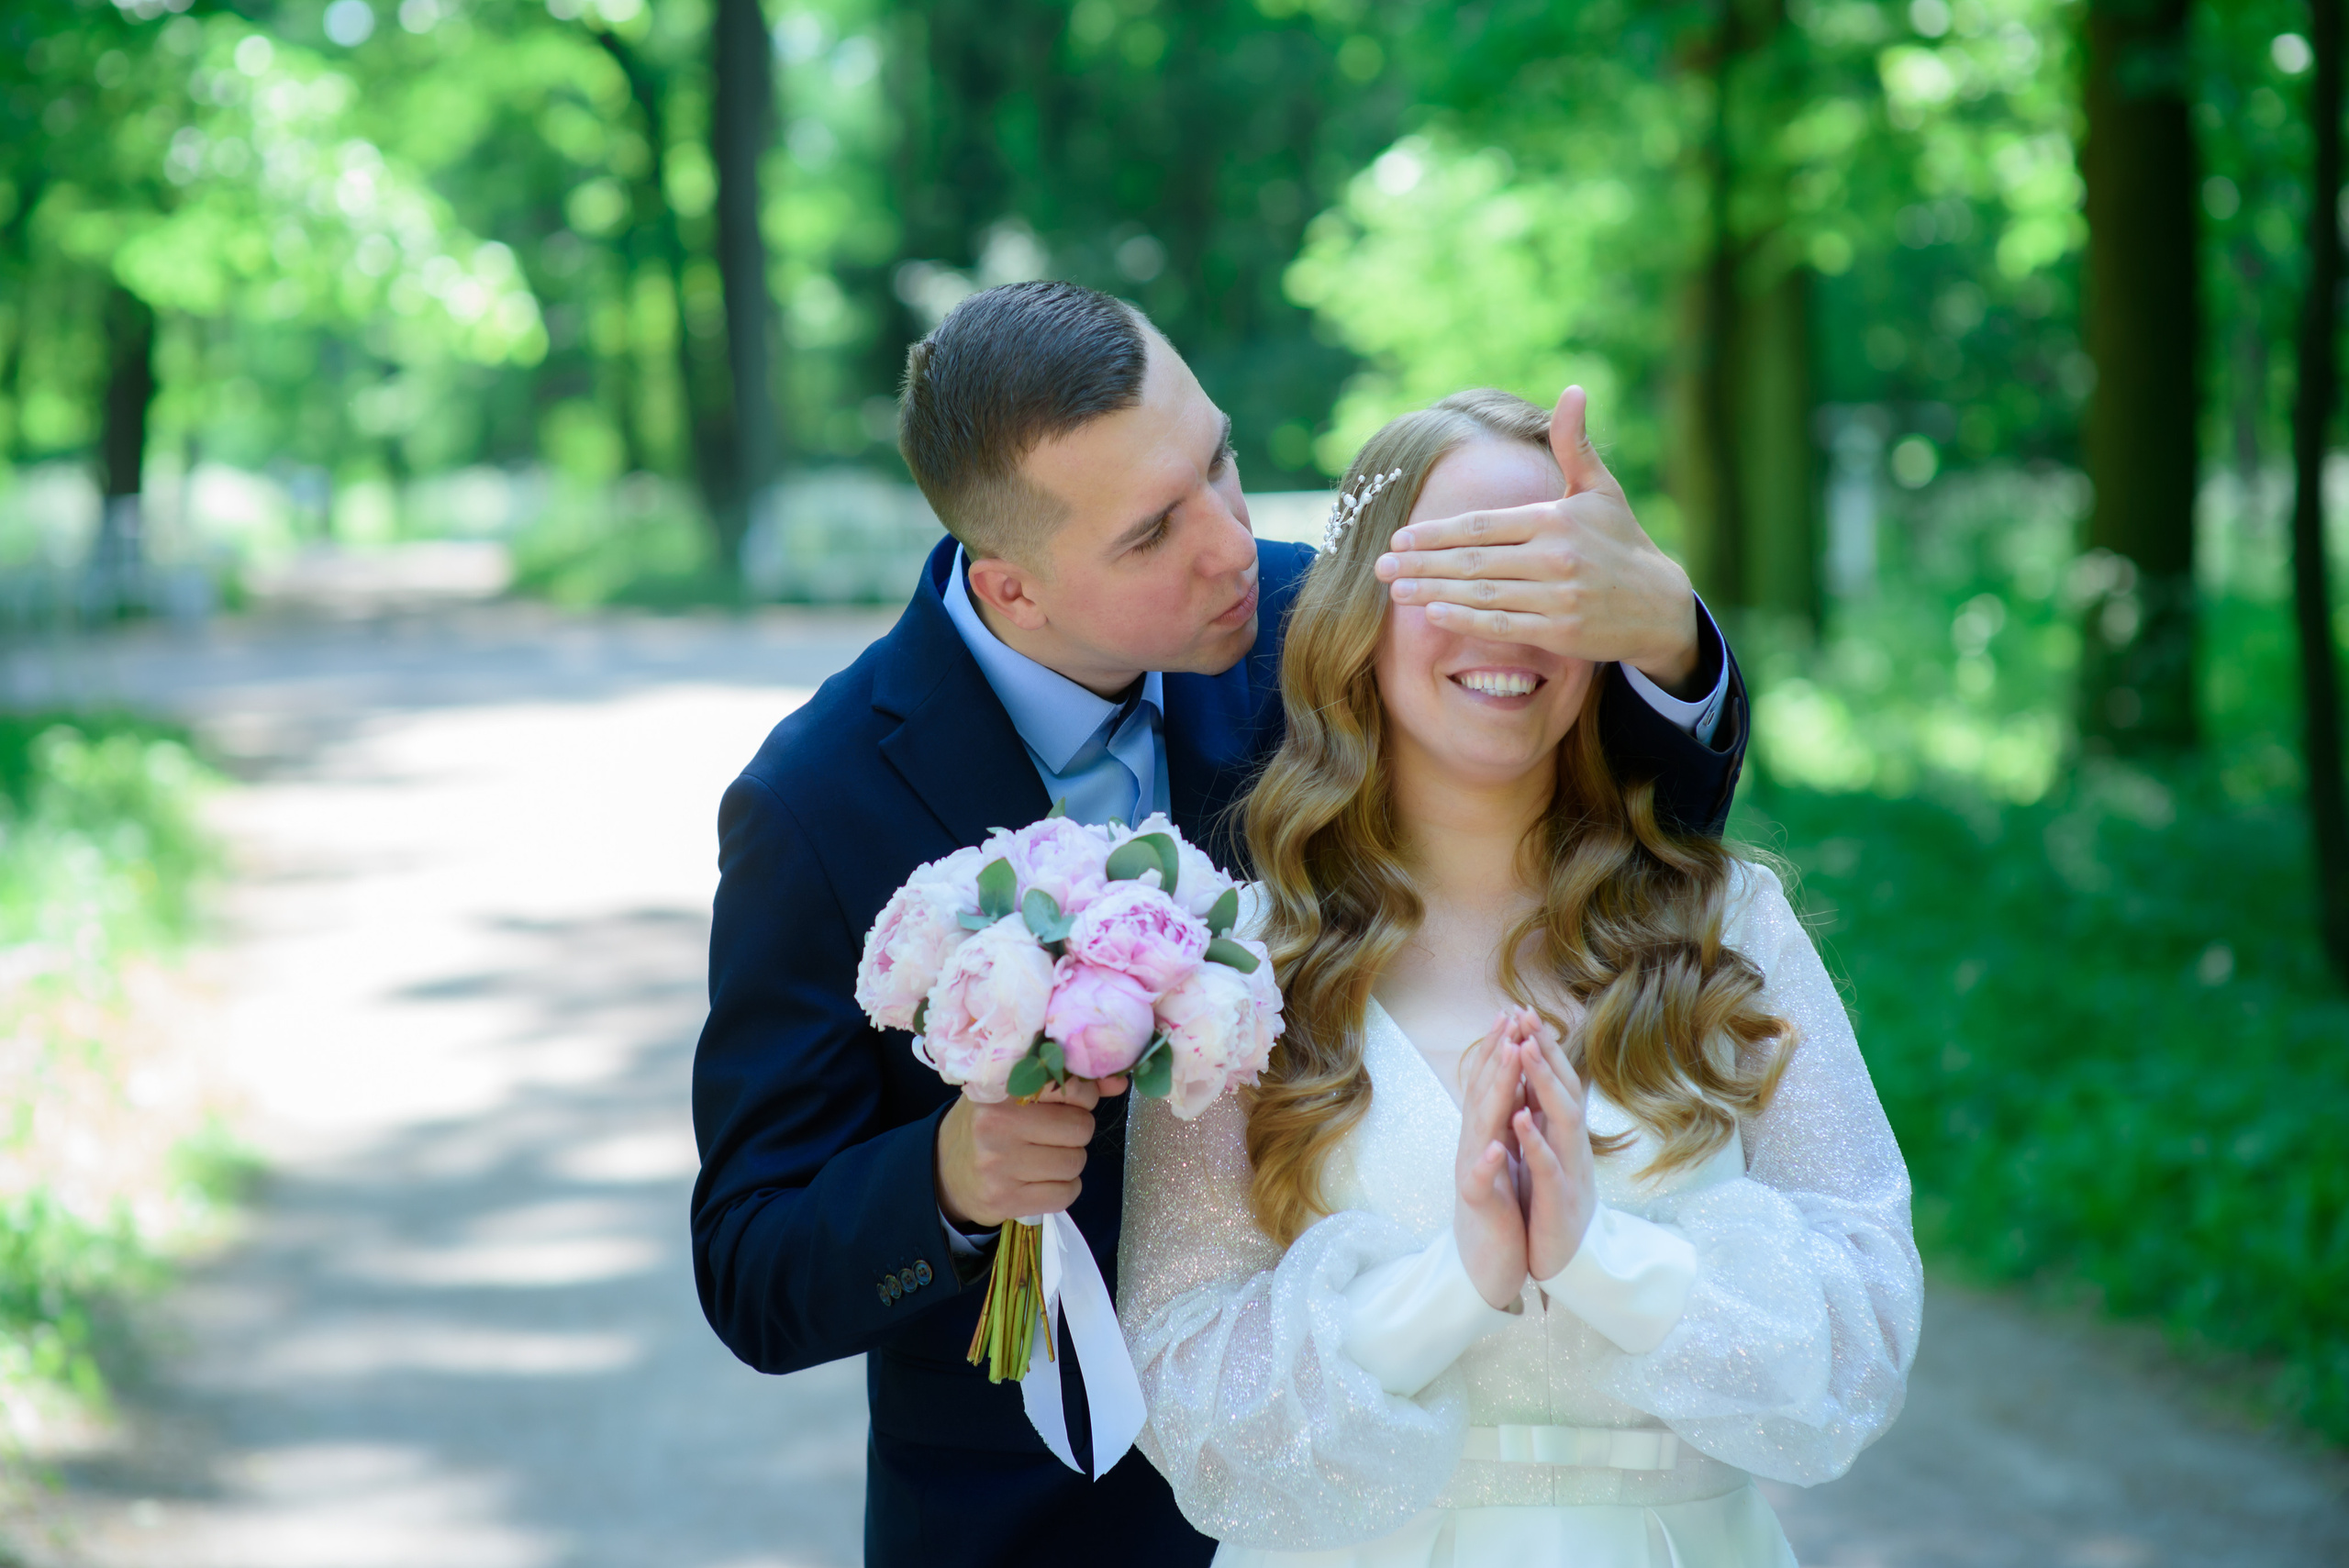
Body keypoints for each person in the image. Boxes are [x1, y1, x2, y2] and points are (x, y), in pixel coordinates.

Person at [690, 284, 1751, 1568]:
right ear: (1012, 587)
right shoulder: (817, 802)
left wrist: (1669, 642)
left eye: (1219, 465)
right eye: (1152, 535)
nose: (1233, 545)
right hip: (1038, 1520)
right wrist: (949, 1182)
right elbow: (752, 1258)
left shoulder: (1316, 633)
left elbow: (1608, 823)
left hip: (1358, 1478)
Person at [1117, 390, 1921, 1566]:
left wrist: (1603, 1259)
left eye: (1546, 579)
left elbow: (1865, 1329)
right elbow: (1186, 1385)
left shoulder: (1726, 921)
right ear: (1360, 617)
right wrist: (1453, 1277)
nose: (1508, 625)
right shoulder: (1239, 966)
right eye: (1464, 573)